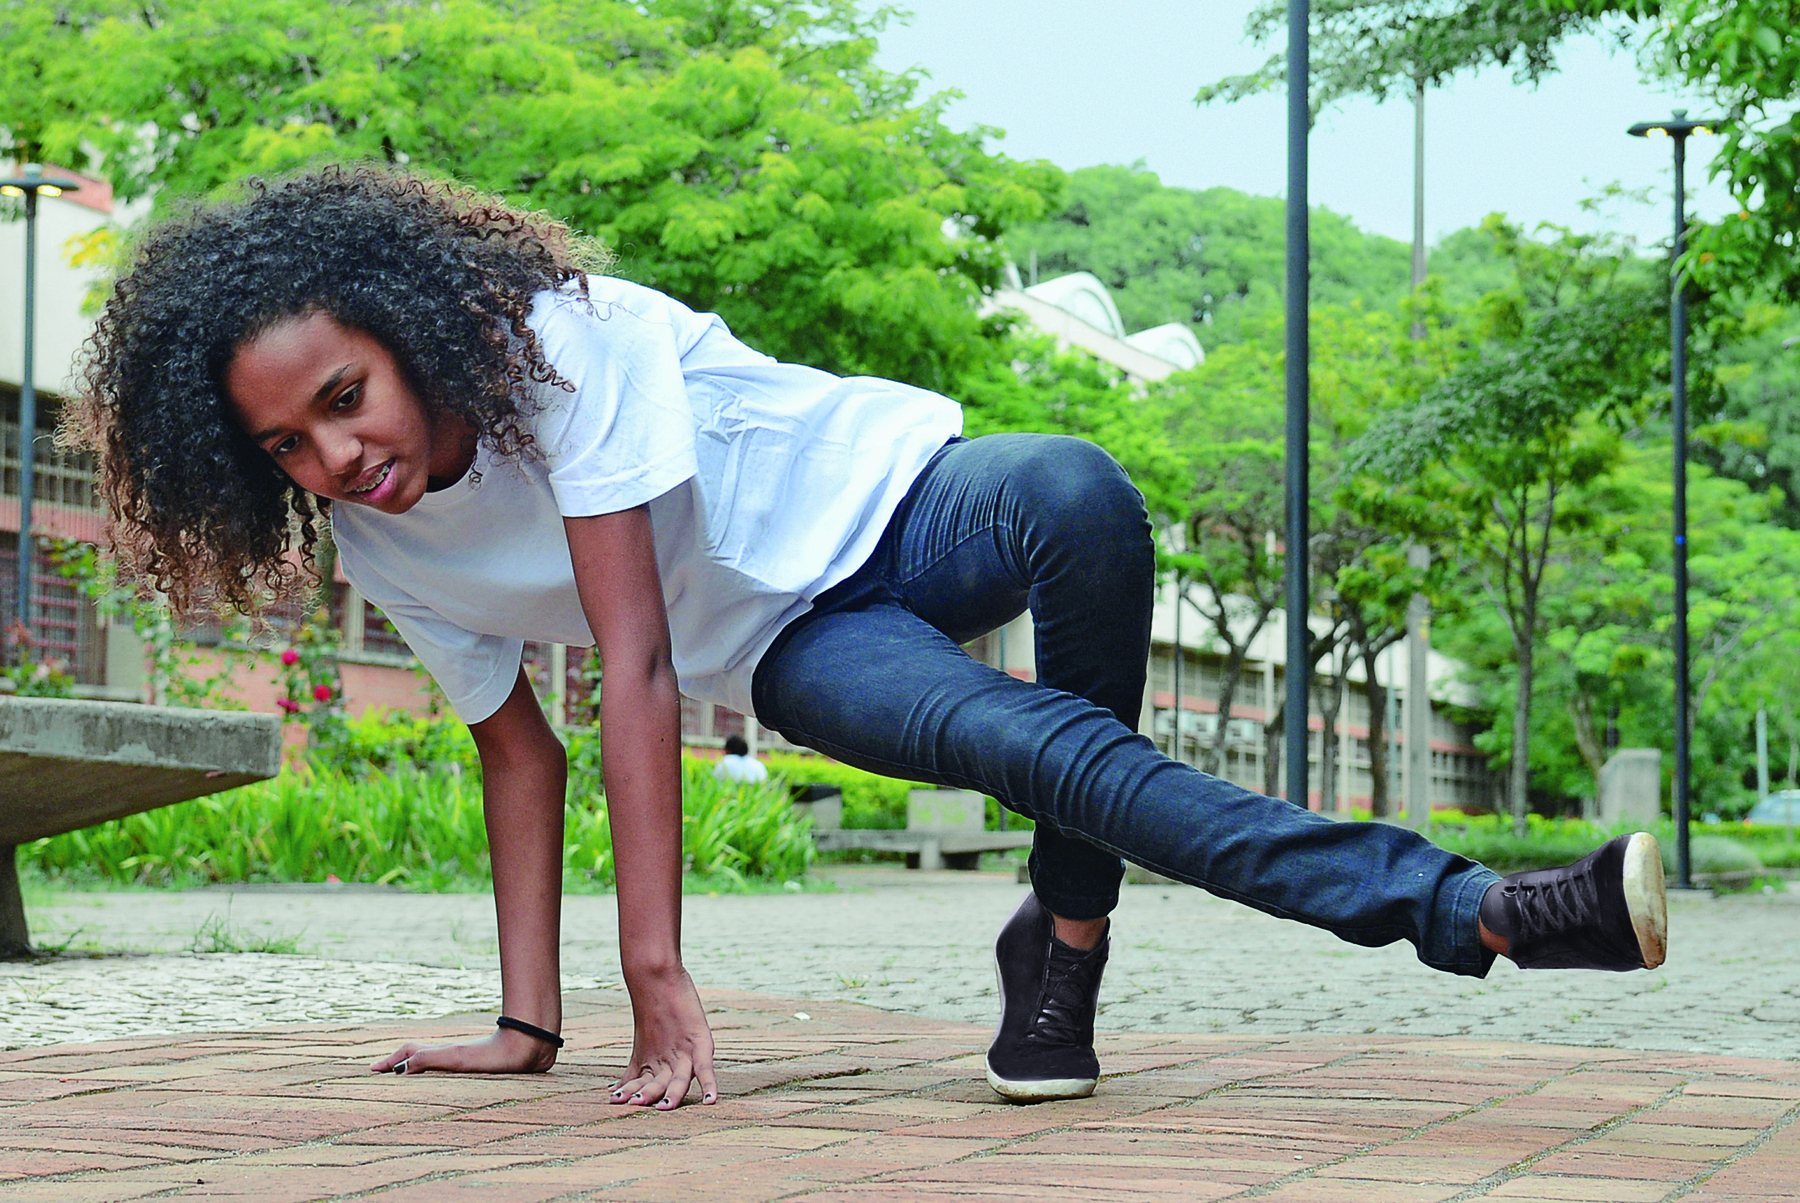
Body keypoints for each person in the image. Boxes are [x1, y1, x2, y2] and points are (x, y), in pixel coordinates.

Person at [70, 166, 1668, 1111]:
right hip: (789, 640)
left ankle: (1064, 931)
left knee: (1079, 487)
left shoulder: (559, 346)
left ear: (406, 335)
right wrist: (528, 1023)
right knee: (1027, 739)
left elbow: (623, 660)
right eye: (287, 446)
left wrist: (657, 968)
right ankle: (1472, 911)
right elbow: (517, 741)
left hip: (903, 504)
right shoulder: (379, 529)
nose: (336, 457)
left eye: (343, 400)